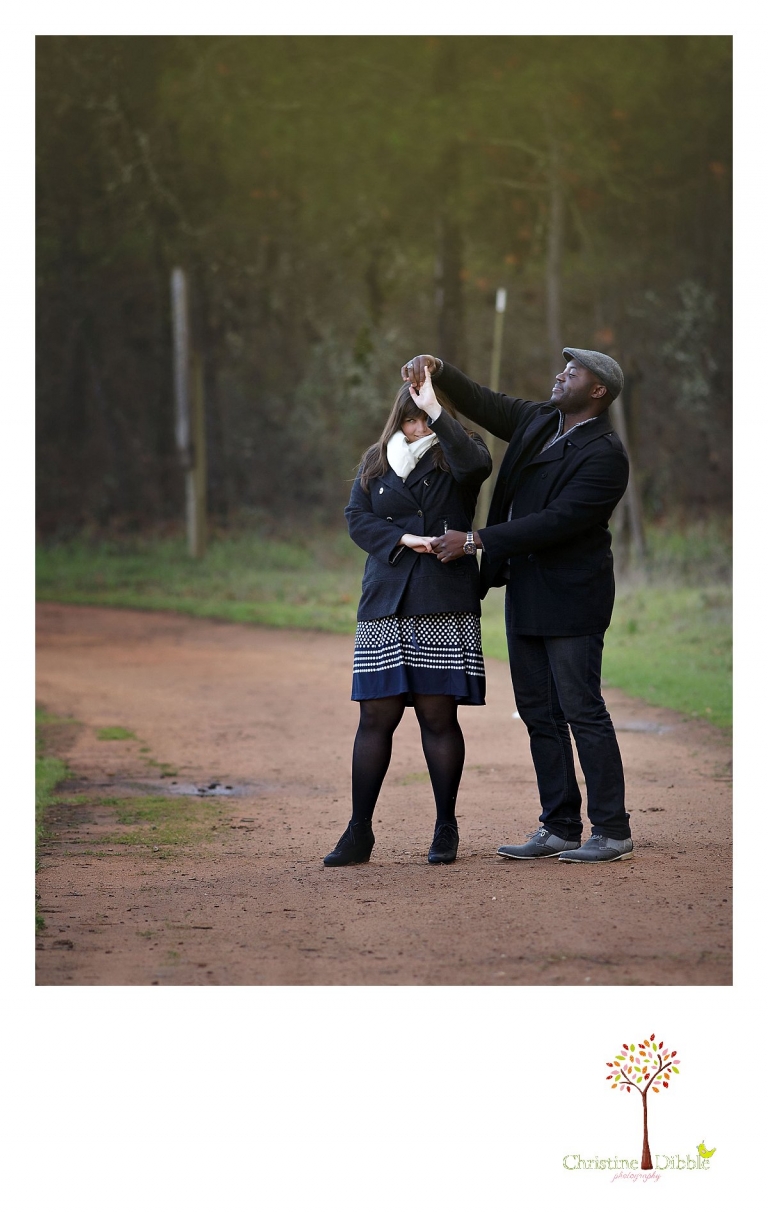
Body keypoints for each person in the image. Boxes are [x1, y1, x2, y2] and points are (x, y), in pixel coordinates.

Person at [401, 348, 633, 864]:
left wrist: (477, 539)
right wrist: (439, 369)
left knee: (581, 708)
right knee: (537, 711)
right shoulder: (538, 420)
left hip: (573, 595)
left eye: (572, 373)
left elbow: (558, 520)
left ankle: (613, 830)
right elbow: (483, 401)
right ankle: (560, 826)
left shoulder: (604, 454)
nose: (559, 374)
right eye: (563, 368)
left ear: (597, 391)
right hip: (525, 587)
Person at [323, 368, 492, 867]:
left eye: (427, 417)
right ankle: (359, 832)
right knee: (375, 716)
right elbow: (357, 517)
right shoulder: (377, 460)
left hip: (441, 599)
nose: (419, 426)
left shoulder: (461, 450)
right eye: (412, 418)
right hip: (384, 599)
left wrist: (439, 414)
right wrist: (401, 539)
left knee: (438, 716)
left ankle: (445, 827)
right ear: (399, 417)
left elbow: (475, 467)